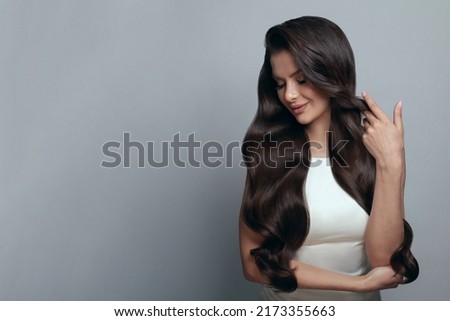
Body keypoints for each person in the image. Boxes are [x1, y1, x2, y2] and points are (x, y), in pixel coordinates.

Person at [239, 16, 419, 300]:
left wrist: (391, 162)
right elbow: (253, 264)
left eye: (301, 79)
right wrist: (357, 284)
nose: (290, 95)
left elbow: (384, 263)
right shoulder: (268, 155)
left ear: (331, 73)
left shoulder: (374, 153)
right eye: (280, 83)